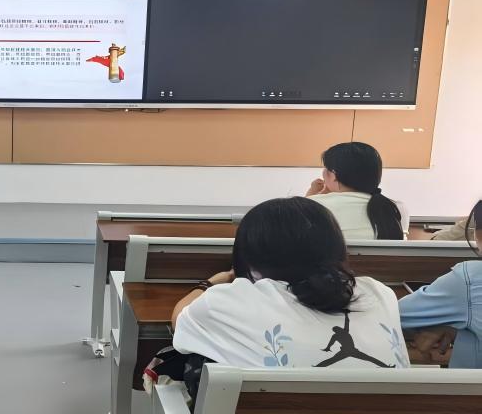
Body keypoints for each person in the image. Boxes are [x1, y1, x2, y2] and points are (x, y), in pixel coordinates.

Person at [171, 197, 409, 369]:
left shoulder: (229, 301)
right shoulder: (379, 293)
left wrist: (211, 283)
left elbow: (179, 318)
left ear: (251, 254)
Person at [398, 200, 482, 368]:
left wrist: (447, 324)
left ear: (477, 235)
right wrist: (456, 330)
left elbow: (393, 314)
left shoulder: (469, 279)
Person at [305, 142, 409, 240]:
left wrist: (310, 197)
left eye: (326, 168)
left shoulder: (315, 205)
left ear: (334, 175)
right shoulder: (395, 207)